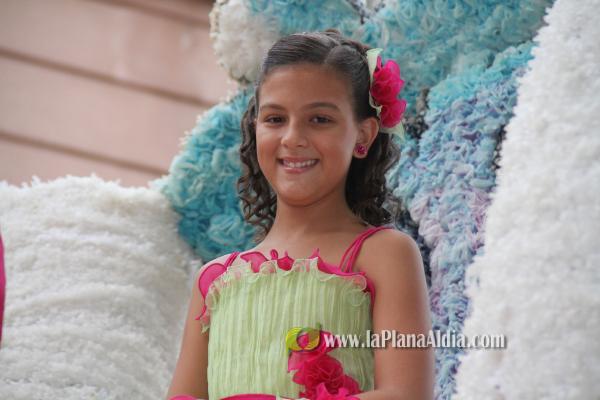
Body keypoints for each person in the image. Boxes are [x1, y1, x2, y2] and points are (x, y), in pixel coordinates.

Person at [166, 29, 433, 400]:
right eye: (275, 119)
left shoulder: (386, 254)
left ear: (363, 136)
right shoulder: (214, 281)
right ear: (255, 129)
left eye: (319, 119)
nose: (292, 138)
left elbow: (406, 394)